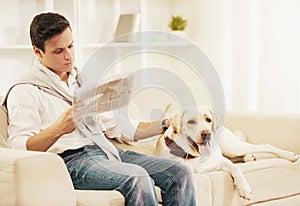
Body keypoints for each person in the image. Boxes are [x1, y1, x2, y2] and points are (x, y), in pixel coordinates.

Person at [2, 12, 196, 206]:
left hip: (105, 150)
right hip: (70, 161)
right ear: (38, 52)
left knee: (180, 173)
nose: (68, 56)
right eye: (58, 51)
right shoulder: (25, 90)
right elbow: (20, 145)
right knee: (136, 177)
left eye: (70, 46)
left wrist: (167, 123)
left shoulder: (82, 82)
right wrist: (59, 128)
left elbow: (120, 128)